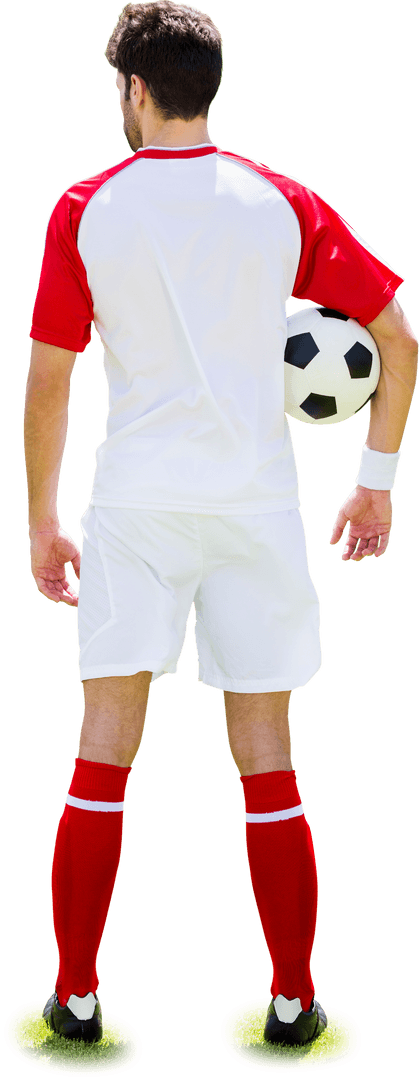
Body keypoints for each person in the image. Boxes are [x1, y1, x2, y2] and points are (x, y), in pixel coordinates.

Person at [24, 0, 418, 1050]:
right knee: (267, 757)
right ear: (206, 88)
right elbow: (398, 340)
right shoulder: (283, 201)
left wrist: (39, 522)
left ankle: (74, 1003)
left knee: (102, 752)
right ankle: (293, 1008)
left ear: (135, 91)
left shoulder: (84, 206)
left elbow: (49, 382)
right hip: (255, 513)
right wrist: (373, 482)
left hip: (137, 510)